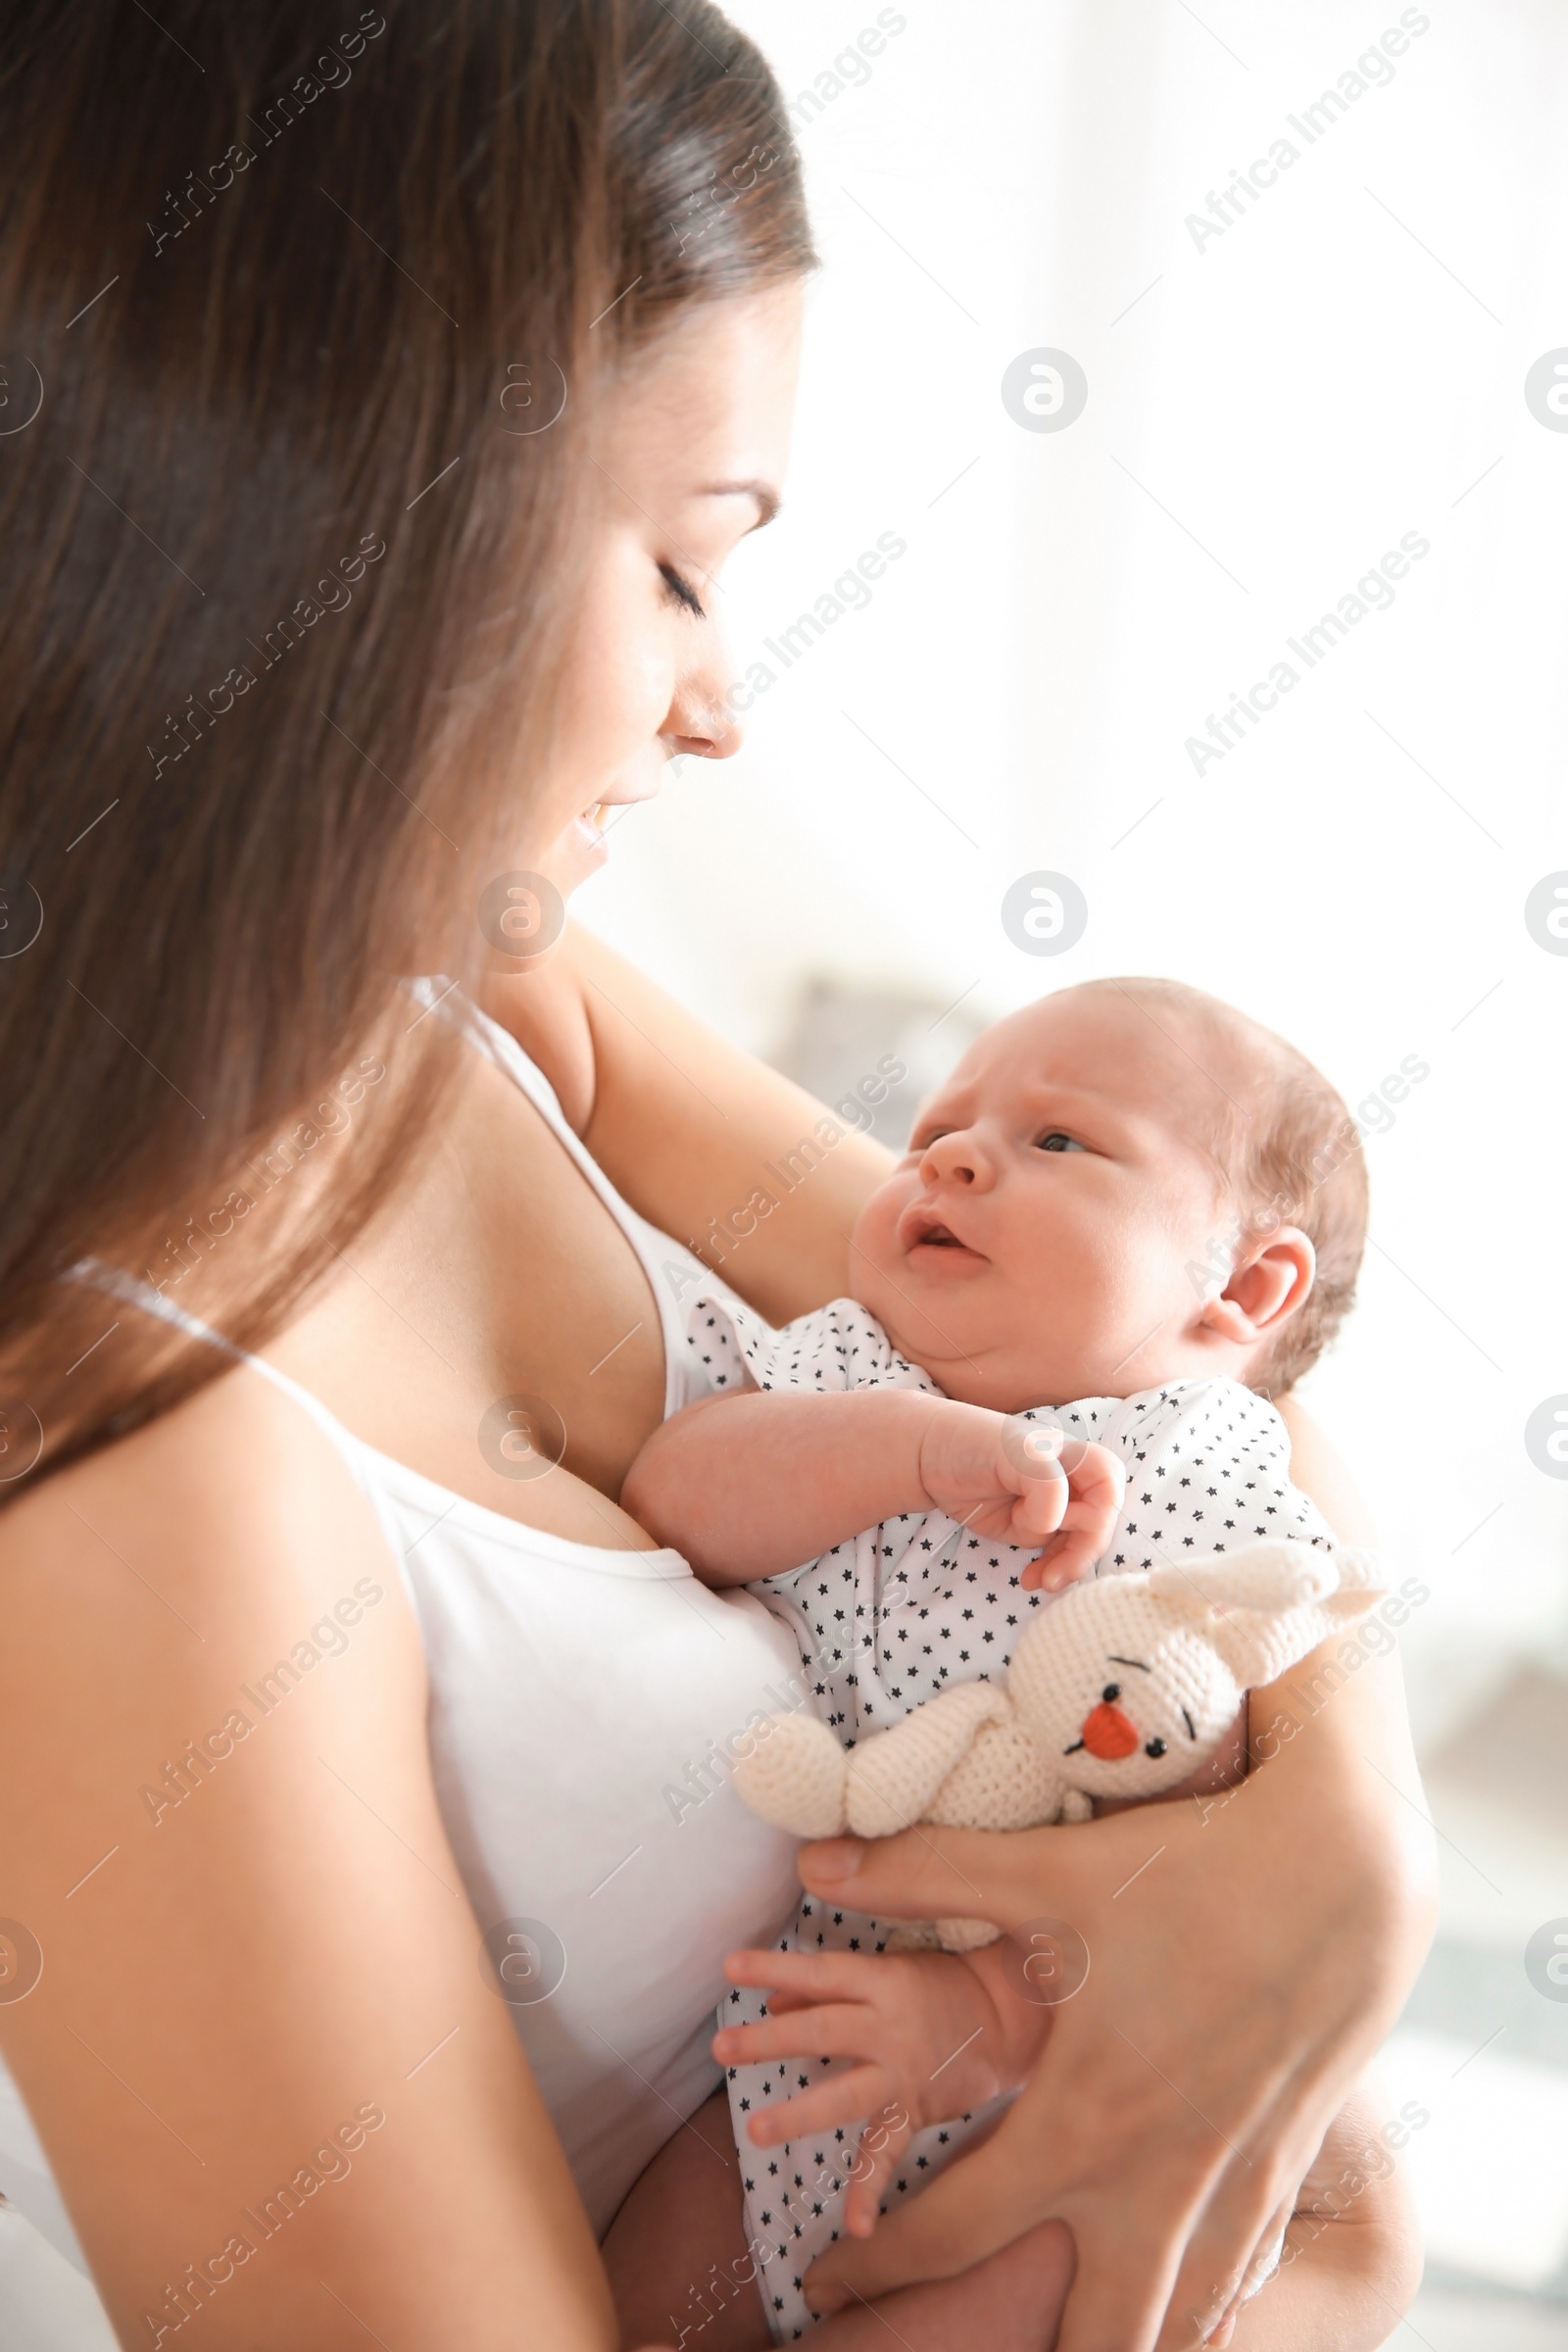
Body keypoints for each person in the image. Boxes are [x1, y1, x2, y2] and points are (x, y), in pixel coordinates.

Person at [0, 6, 1435, 2349]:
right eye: (682, 566)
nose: (718, 703)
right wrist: (1342, 2272)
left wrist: (1348, 1836)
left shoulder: (482, 993)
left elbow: (1161, 1350)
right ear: (320, 526)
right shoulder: (118, 1485)